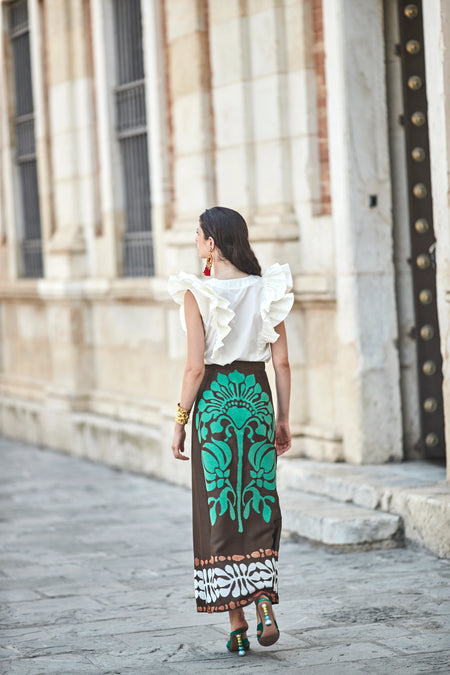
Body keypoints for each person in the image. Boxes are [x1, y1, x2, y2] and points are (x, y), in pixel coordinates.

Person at [168, 206, 293, 656]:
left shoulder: (196, 292)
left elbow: (194, 368)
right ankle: (264, 602)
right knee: (258, 502)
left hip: (216, 409)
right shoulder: (266, 288)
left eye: (198, 234)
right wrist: (282, 418)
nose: (195, 241)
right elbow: (282, 362)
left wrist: (180, 421)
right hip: (256, 400)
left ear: (212, 244)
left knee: (219, 510)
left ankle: (237, 625)